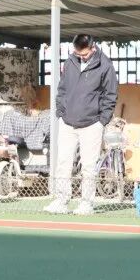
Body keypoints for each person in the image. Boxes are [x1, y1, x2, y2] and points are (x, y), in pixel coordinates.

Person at [46, 34, 119, 215]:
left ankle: (87, 203)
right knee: (63, 163)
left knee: (88, 166)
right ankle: (61, 200)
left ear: (93, 48)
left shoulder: (105, 65)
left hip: (92, 124)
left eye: (84, 54)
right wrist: (60, 112)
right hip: (67, 122)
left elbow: (110, 95)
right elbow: (62, 89)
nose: (81, 57)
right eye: (78, 54)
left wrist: (102, 121)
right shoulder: (70, 62)